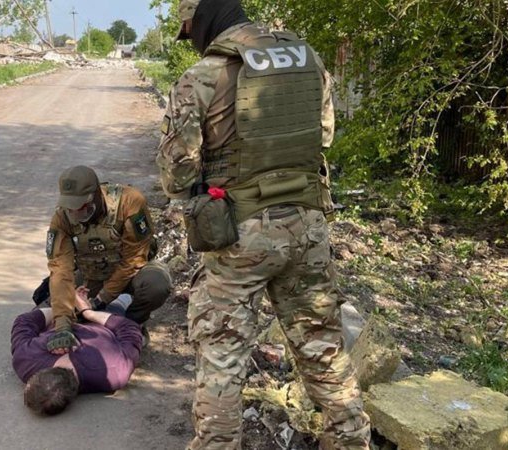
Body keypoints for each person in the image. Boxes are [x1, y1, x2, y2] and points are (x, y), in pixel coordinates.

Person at [155, 1, 371, 449]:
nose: (191, 40)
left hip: (240, 233)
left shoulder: (203, 77)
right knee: (323, 346)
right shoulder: (307, 58)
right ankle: (352, 440)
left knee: (222, 356)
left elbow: (176, 176)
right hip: (308, 224)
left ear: (203, 18)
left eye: (188, 30)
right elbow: (324, 135)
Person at [40, 165, 173, 355]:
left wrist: (100, 300)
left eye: (81, 208)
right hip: (92, 275)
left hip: (132, 273)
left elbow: (134, 259)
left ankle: (132, 325)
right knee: (50, 311)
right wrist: (62, 324)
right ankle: (89, 322)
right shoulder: (62, 218)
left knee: (156, 285)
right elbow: (60, 269)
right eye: (70, 209)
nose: (75, 215)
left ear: (96, 195)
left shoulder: (129, 201)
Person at [12, 287, 142, 415]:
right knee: (124, 297)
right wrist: (88, 313)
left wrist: (65, 309)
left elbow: (24, 321)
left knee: (55, 289)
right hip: (103, 319)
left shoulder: (25, 361)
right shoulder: (113, 372)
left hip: (60, 315)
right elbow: (130, 329)